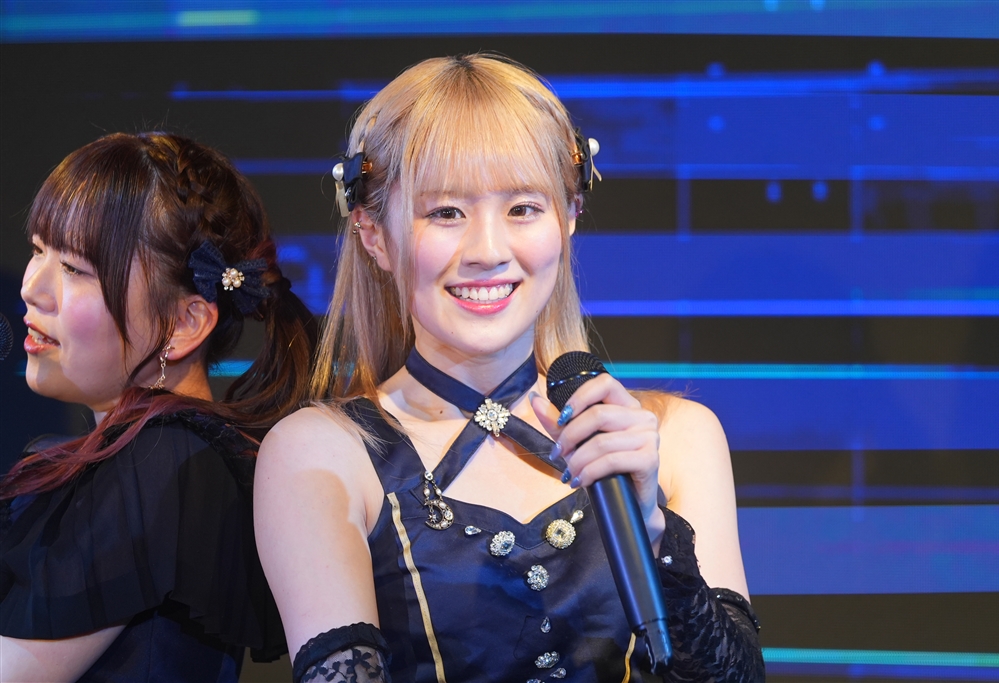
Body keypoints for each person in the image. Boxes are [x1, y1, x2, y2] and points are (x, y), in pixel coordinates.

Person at [255, 54, 764, 683]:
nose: (489, 251)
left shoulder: (676, 437)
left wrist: (654, 531)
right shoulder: (323, 454)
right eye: (445, 212)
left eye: (523, 208)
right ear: (373, 234)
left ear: (569, 216)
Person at [0, 132, 317, 682]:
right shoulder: (154, 456)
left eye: (74, 268)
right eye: (37, 250)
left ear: (185, 323)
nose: (33, 288)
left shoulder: (164, 459)